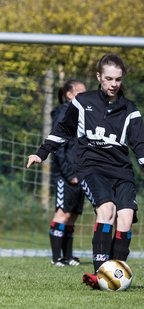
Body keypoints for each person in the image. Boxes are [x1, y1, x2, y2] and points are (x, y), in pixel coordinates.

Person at [26, 53, 144, 288]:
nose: (113, 84)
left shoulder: (129, 110)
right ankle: (100, 274)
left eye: (118, 79)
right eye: (109, 78)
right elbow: (63, 130)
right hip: (91, 169)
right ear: (99, 77)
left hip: (121, 171)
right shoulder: (82, 102)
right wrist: (42, 152)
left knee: (126, 218)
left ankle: (116, 273)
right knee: (107, 210)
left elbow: (143, 147)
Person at [49, 79, 86, 266]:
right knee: (62, 214)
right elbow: (58, 146)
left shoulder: (82, 114)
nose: (84, 95)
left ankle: (68, 256)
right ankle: (56, 259)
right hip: (66, 175)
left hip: (80, 173)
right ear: (69, 95)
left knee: (72, 216)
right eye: (80, 91)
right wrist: (69, 173)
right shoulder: (63, 113)